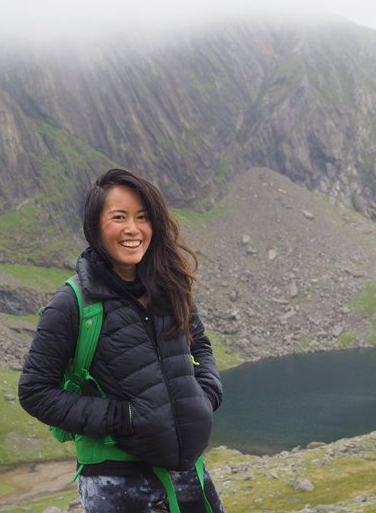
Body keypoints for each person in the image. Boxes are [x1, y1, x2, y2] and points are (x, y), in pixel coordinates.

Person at [18, 168, 224, 512]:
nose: (133, 228)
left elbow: (198, 343)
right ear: (95, 226)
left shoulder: (170, 285)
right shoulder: (72, 303)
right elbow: (34, 391)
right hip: (115, 485)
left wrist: (207, 394)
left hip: (189, 474)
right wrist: (121, 418)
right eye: (119, 217)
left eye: (143, 217)